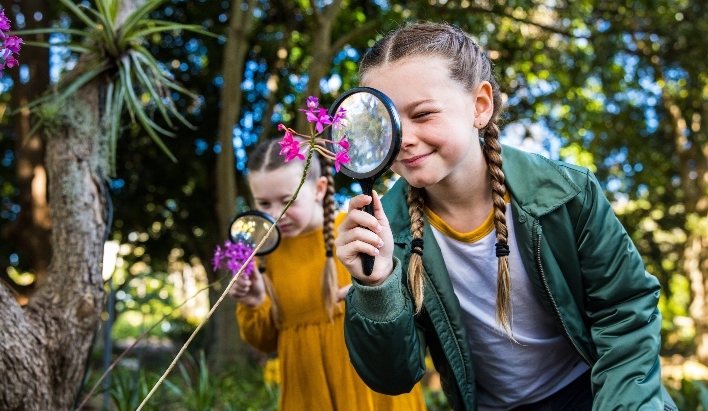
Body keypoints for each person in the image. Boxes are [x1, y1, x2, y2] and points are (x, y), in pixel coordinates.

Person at [335, 22, 678, 410]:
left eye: (423, 114)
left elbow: (626, 315)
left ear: (480, 106)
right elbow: (393, 377)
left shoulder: (567, 194)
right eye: (387, 123)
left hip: (600, 393)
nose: (405, 138)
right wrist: (376, 286)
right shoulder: (387, 234)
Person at [229, 138, 426, 411]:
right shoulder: (263, 255)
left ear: (320, 188)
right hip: (308, 394)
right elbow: (264, 342)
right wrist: (254, 302)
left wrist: (372, 295)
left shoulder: (357, 233)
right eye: (264, 203)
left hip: (373, 391)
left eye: (287, 201)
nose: (276, 214)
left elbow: (405, 311)